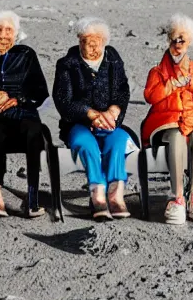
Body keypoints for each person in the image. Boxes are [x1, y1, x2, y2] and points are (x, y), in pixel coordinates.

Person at [53, 17, 134, 220]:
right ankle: (97, 196)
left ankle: (115, 196)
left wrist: (114, 111)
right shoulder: (66, 64)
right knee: (86, 145)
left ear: (104, 41)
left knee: (119, 141)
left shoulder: (113, 59)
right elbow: (63, 100)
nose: (91, 44)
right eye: (85, 40)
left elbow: (122, 91)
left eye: (96, 39)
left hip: (109, 122)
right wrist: (90, 114)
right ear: (79, 40)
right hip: (79, 124)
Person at [142, 13, 193, 226]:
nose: (177, 44)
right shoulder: (157, 71)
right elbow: (150, 96)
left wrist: (191, 82)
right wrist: (171, 85)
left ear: (189, 41)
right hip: (166, 122)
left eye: (182, 39)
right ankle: (177, 197)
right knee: (175, 137)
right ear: (168, 40)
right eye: (174, 39)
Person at [0, 10, 49, 218]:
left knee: (33, 130)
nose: (1, 34)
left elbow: (40, 91)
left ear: (16, 33)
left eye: (7, 30)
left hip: (23, 115)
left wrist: (14, 98)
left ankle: (32, 199)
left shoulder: (26, 54)